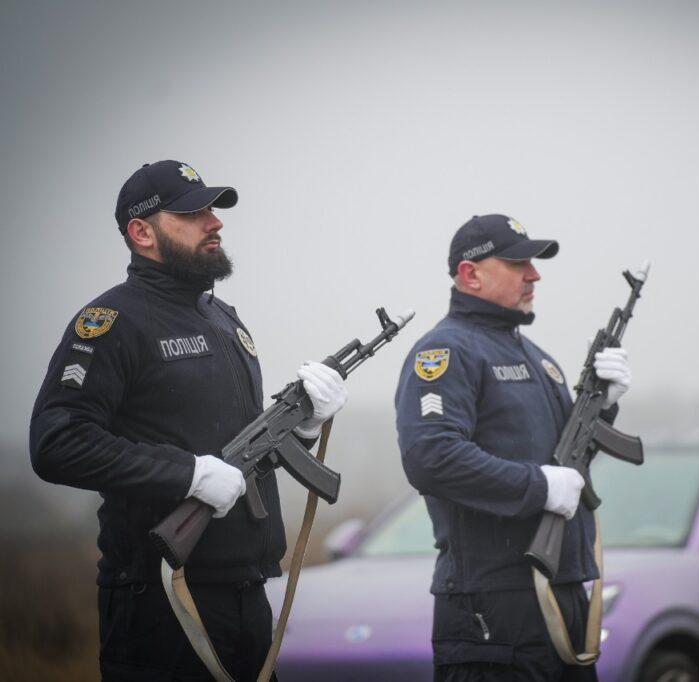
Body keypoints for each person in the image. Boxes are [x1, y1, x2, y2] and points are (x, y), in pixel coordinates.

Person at [30, 160, 348, 680]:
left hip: (248, 595)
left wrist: (305, 426)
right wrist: (187, 473)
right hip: (161, 601)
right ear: (142, 232)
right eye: (192, 213)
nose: (214, 222)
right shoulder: (111, 323)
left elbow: (244, 451)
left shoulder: (224, 319)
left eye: (212, 210)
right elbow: (56, 441)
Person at [395, 214, 632, 681]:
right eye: (518, 262)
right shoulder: (445, 352)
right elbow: (431, 456)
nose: (534, 274)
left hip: (560, 592)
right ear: (471, 273)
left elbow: (568, 467)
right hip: (491, 607)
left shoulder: (539, 359)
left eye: (534, 262)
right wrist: (538, 487)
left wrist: (601, 409)